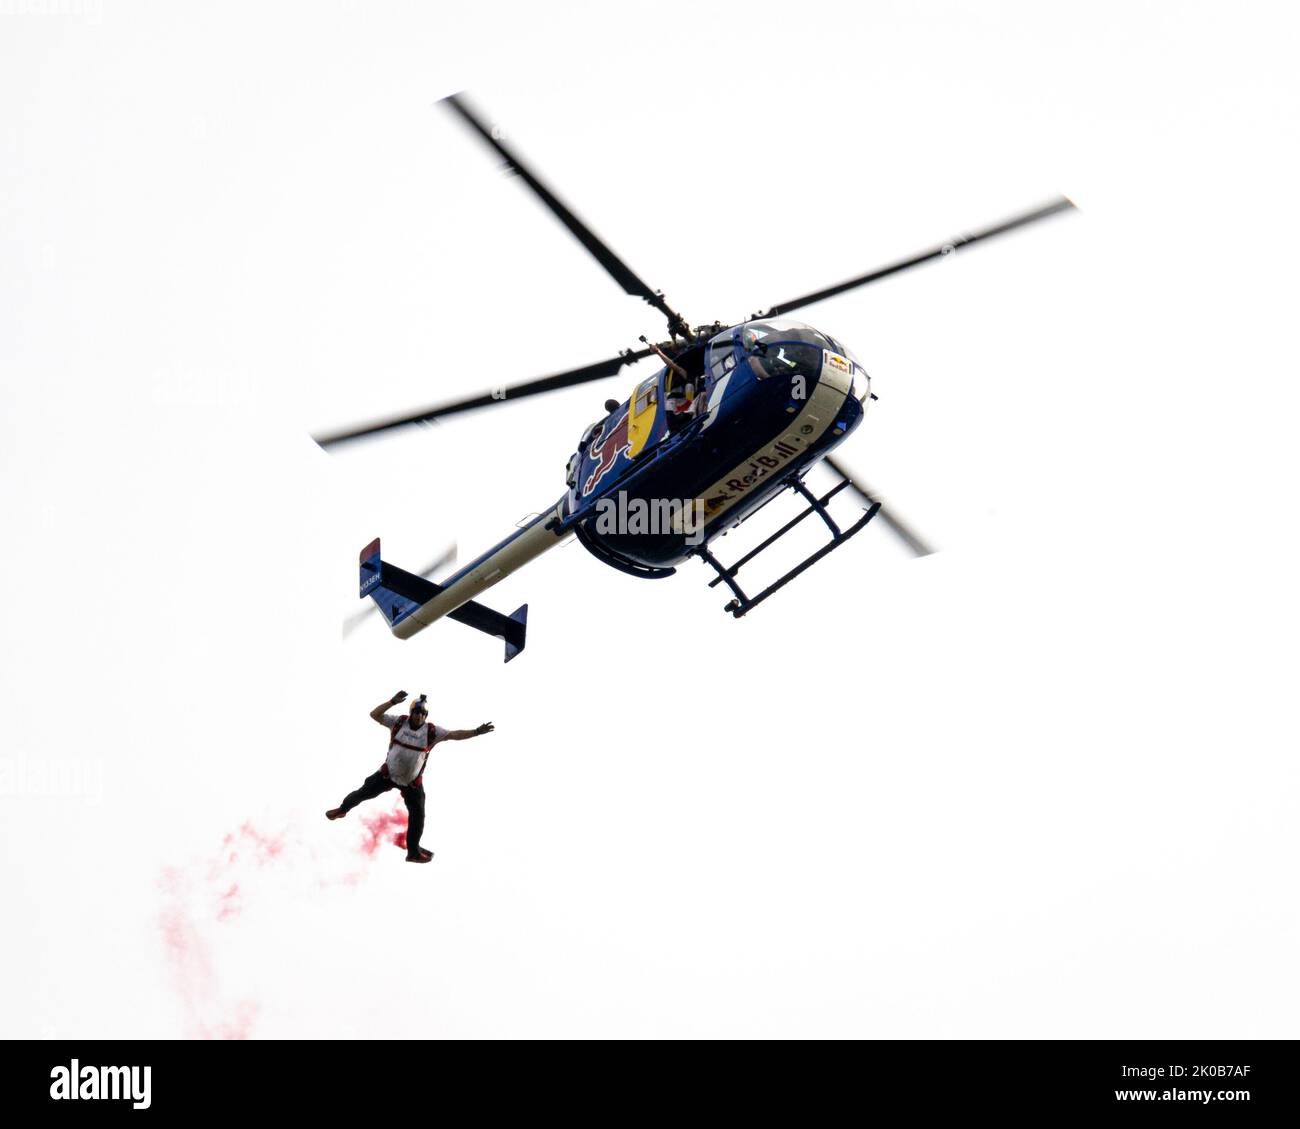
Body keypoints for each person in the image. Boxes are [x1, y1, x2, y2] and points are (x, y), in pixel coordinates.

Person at [325, 691, 495, 864]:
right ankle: (342, 809)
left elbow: (454, 735)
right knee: (362, 793)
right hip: (387, 775)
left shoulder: (431, 731)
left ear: (426, 716)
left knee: (418, 816)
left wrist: (476, 731)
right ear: (411, 712)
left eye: (423, 714)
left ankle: (413, 852)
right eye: (417, 712)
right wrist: (392, 702)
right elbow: (374, 715)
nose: (419, 716)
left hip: (411, 784)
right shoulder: (399, 722)